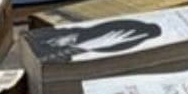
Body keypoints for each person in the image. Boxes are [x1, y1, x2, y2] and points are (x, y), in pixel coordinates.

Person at [31, 19, 162, 62]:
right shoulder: (51, 31)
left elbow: (44, 61)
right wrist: (83, 45)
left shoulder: (62, 55)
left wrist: (84, 46)